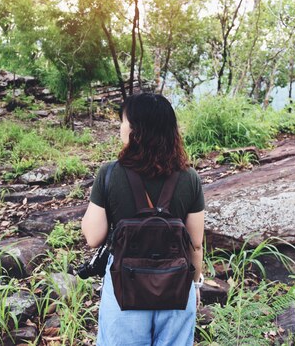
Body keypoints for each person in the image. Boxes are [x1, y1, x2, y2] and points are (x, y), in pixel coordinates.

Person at [82, 93, 205, 346]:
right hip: (176, 288)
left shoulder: (110, 174)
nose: (120, 127)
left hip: (124, 288)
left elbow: (93, 238)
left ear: (136, 130)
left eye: (124, 121)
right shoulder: (189, 177)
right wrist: (193, 286)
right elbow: (196, 243)